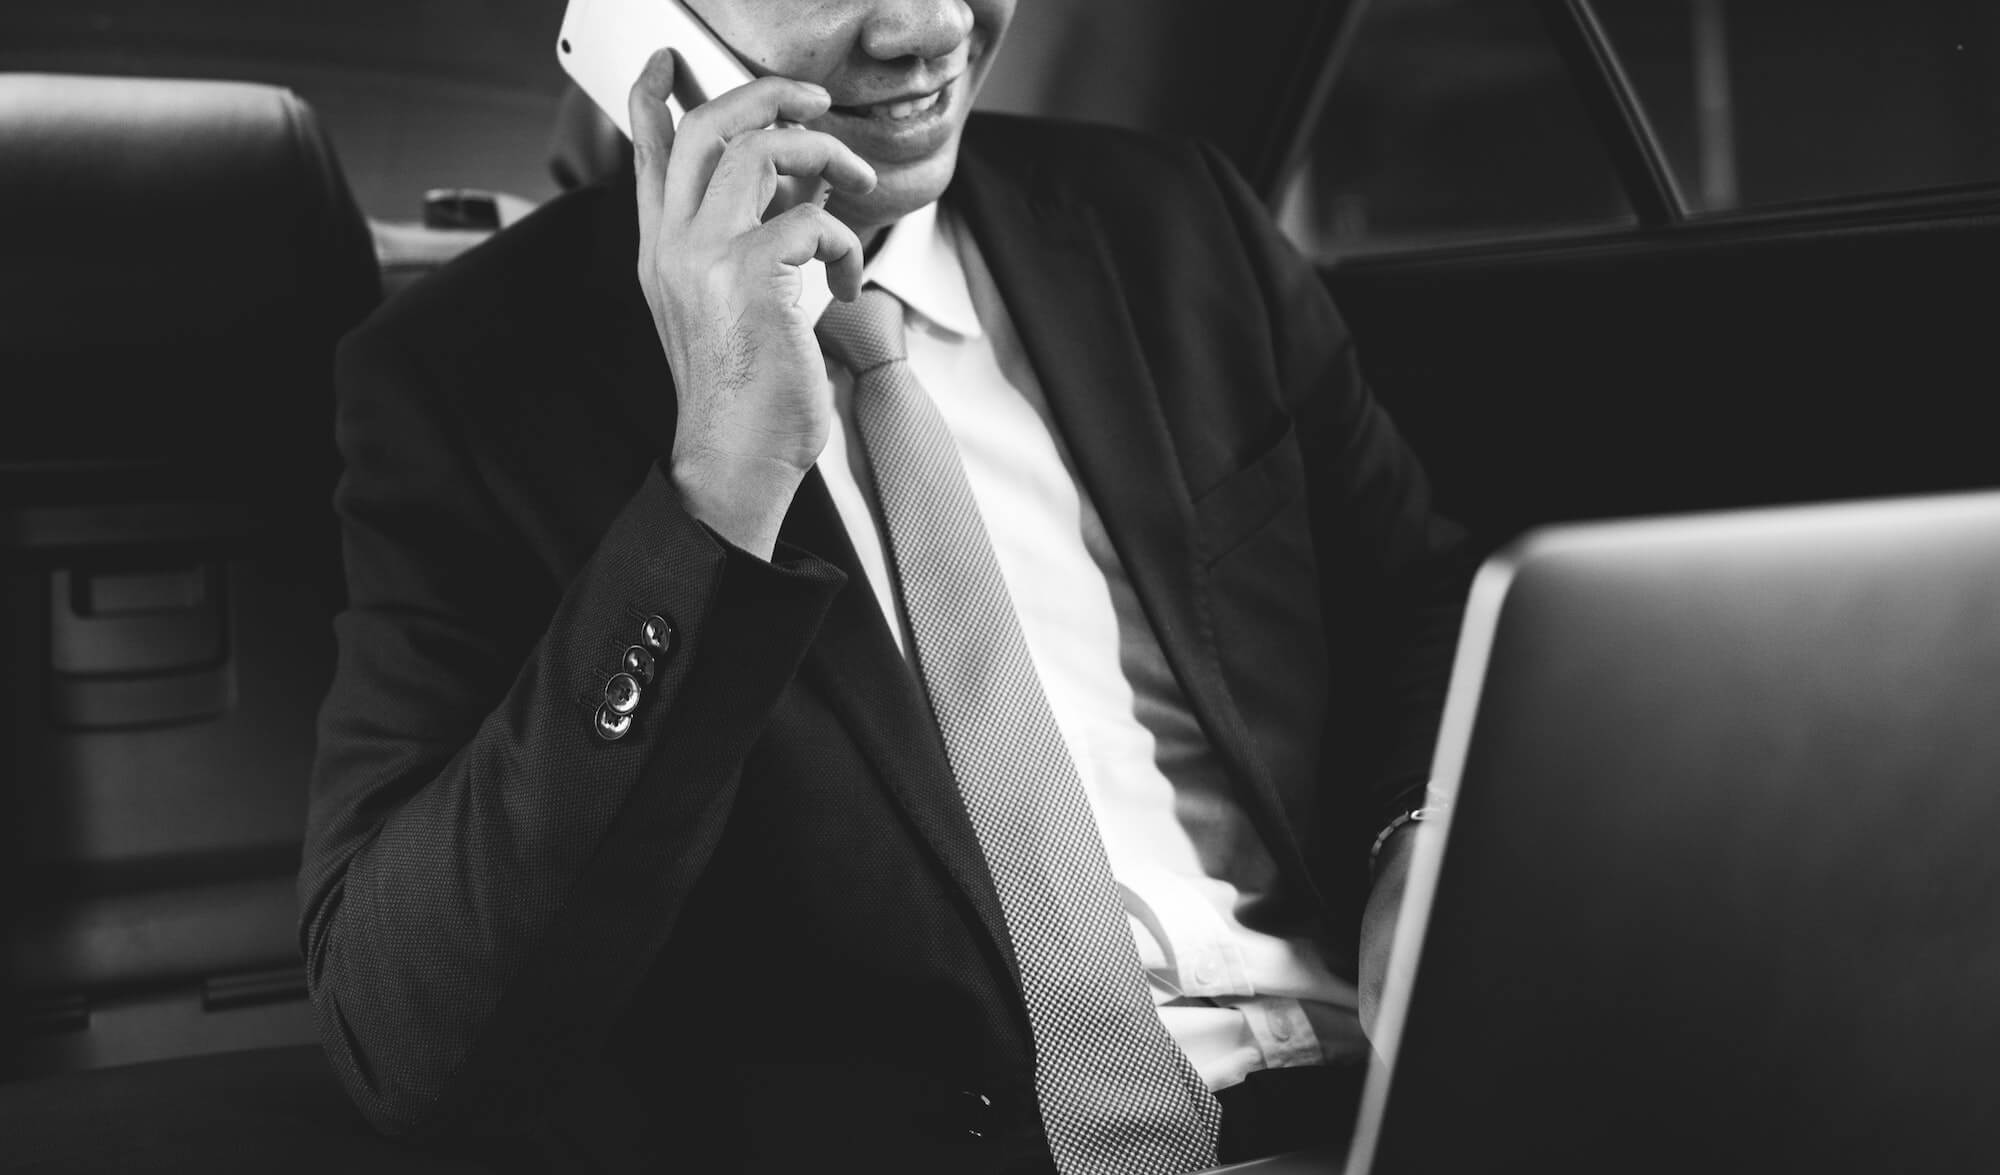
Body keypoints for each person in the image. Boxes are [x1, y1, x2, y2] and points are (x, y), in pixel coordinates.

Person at [298, 1, 1471, 1172]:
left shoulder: (1176, 220)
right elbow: (405, 1040)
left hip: (1410, 1096)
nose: (926, 23)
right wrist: (711, 490)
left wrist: (1416, 833)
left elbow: (1423, 606)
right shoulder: (467, 381)